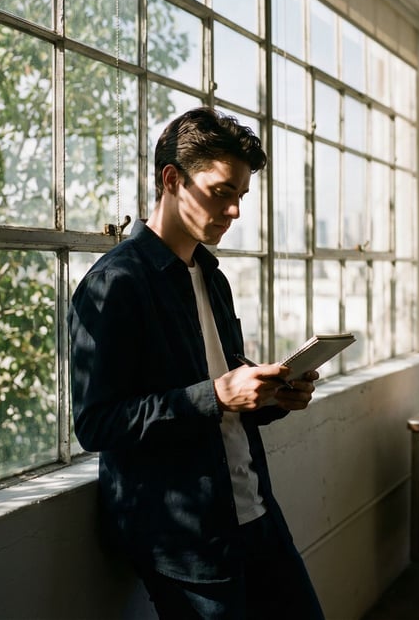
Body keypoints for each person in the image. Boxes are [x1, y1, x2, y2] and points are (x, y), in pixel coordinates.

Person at [68, 107, 325, 619]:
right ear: (172, 179)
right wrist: (218, 395)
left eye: (241, 197)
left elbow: (224, 390)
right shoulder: (115, 284)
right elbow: (97, 424)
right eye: (222, 191)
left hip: (254, 511)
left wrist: (272, 394)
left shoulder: (212, 276)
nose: (234, 212)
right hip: (185, 539)